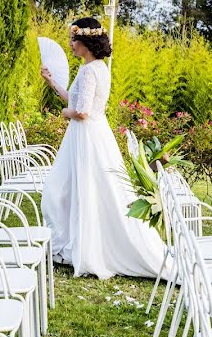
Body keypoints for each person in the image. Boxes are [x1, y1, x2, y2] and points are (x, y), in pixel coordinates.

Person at [40, 17, 166, 280]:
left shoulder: (88, 71)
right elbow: (76, 98)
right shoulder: (98, 68)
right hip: (94, 135)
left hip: (86, 136)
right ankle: (76, 242)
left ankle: (82, 246)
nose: (71, 44)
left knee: (64, 189)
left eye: (74, 40)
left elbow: (81, 111)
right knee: (83, 189)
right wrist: (52, 82)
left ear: (86, 42)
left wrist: (64, 113)